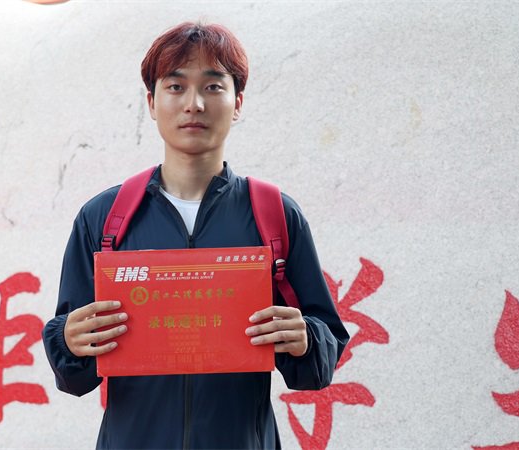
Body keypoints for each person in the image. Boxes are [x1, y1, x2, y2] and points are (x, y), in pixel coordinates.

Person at [42, 21, 349, 449]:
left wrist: (306, 339)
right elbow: (72, 375)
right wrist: (69, 340)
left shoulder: (275, 215)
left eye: (212, 87)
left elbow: (321, 358)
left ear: (237, 103)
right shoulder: (104, 219)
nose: (194, 104)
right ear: (152, 103)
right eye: (175, 86)